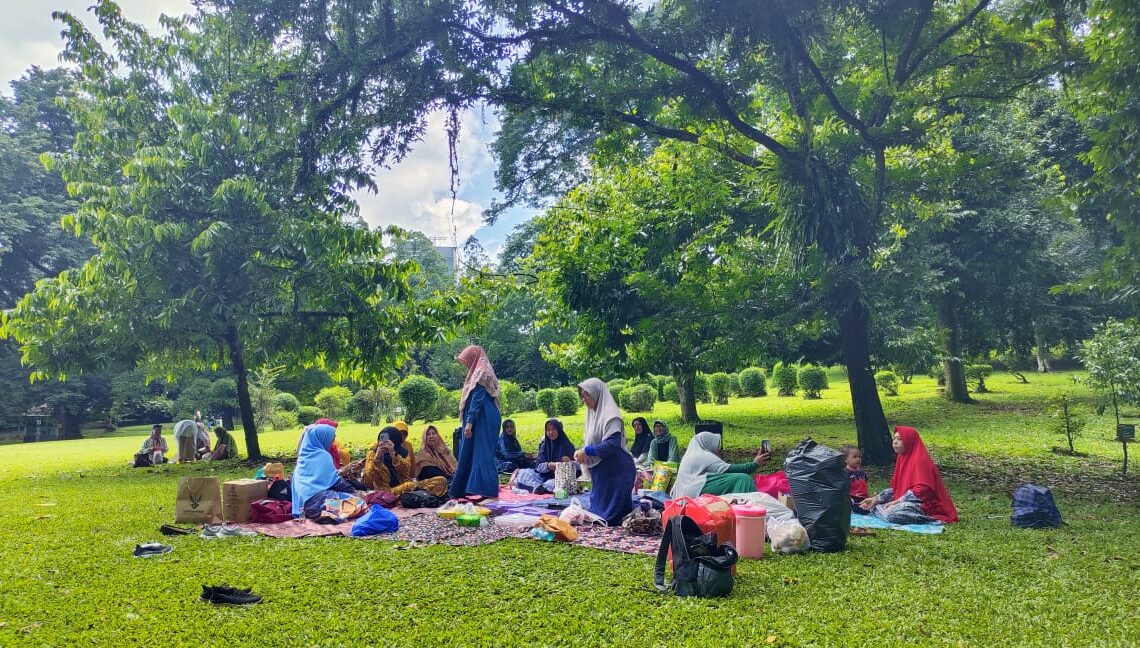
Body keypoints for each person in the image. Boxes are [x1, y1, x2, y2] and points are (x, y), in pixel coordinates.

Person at [859, 426, 958, 524]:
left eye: (900, 439)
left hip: (926, 505)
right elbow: (897, 488)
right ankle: (883, 511)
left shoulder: (920, 460)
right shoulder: (903, 458)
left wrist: (895, 502)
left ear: (909, 441)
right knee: (875, 507)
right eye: (894, 439)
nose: (895, 442)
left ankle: (930, 519)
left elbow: (922, 491)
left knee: (893, 515)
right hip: (907, 502)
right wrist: (876, 499)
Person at [573, 378, 636, 525]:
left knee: (612, 517)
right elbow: (593, 441)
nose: (583, 399)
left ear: (596, 394)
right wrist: (582, 452)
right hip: (602, 471)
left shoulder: (611, 416)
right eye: (582, 396)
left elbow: (612, 445)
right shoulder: (593, 415)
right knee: (597, 515)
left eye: (586, 395)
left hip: (617, 471)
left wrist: (587, 451)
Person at [449, 345, 502, 501]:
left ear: (473, 358)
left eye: (467, 360)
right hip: (480, 416)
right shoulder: (476, 373)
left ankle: (488, 491)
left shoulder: (481, 374)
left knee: (483, 453)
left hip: (482, 417)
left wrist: (470, 423)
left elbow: (477, 399)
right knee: (470, 451)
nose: (465, 364)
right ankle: (466, 488)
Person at [670, 432, 771, 498]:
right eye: (716, 445)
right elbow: (733, 470)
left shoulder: (692, 454)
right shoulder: (703, 456)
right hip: (693, 492)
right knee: (743, 479)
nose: (719, 449)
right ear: (708, 443)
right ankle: (746, 511)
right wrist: (755, 464)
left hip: (684, 494)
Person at [291, 423, 358, 519]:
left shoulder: (303, 457)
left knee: (348, 500)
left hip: (304, 508)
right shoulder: (322, 455)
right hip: (318, 502)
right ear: (322, 438)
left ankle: (327, 514)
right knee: (359, 503)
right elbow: (337, 482)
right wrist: (353, 492)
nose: (332, 442)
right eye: (332, 439)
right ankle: (328, 514)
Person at [513, 418, 577, 493]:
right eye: (548, 430)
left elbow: (580, 467)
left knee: (555, 484)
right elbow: (538, 466)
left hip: (559, 479)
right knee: (524, 473)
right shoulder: (545, 446)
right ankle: (539, 487)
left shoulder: (567, 446)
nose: (551, 432)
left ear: (559, 430)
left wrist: (570, 462)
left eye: (553, 429)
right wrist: (548, 465)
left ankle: (541, 488)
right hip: (542, 477)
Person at [363, 425, 416, 491]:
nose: (385, 442)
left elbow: (405, 472)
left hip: (400, 485)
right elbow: (370, 477)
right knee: (410, 486)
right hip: (381, 489)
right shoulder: (373, 452)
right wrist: (377, 458)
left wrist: (393, 454)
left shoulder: (403, 452)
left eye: (389, 440)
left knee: (410, 485)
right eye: (382, 438)